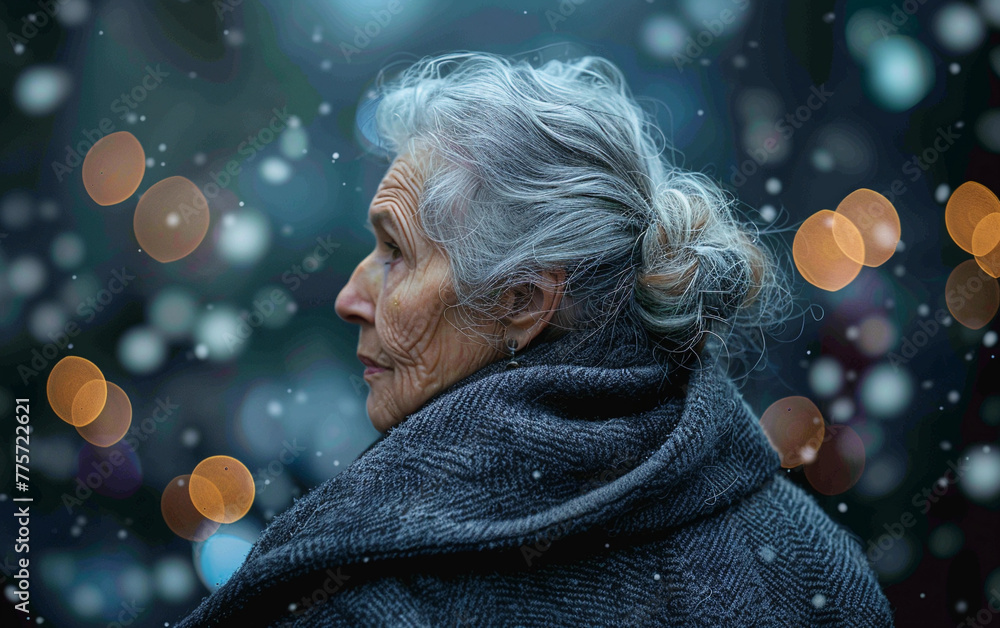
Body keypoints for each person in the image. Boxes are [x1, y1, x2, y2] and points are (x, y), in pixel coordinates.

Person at [174, 51, 895, 627]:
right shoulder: (815, 566)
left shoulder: (376, 596)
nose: (348, 297)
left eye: (396, 253)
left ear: (523, 302)